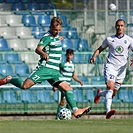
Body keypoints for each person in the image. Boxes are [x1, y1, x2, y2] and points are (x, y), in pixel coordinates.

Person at [0, 17, 91, 118]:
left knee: (67, 88)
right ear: (50, 27)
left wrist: (58, 39)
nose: (57, 32)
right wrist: (43, 53)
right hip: (45, 68)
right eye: (55, 30)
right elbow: (38, 49)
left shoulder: (56, 37)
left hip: (55, 71)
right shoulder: (46, 37)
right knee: (25, 86)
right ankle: (9, 79)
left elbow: (55, 41)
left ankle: (76, 110)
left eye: (59, 30)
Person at [90, 19, 133, 119]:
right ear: (115, 26)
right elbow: (99, 49)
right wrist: (94, 56)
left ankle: (100, 94)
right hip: (110, 66)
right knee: (110, 87)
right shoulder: (110, 39)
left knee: (112, 93)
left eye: (122, 26)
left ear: (124, 27)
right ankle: (108, 112)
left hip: (122, 69)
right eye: (118, 25)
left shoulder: (129, 40)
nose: (120, 27)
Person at [52, 48, 84, 120]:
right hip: (62, 85)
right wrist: (55, 85)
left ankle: (67, 116)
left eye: (71, 55)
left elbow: (73, 75)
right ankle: (58, 117)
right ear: (66, 55)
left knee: (69, 102)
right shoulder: (62, 64)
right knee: (63, 101)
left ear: (73, 56)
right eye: (68, 55)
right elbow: (57, 74)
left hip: (68, 86)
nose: (69, 56)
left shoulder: (72, 65)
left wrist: (79, 81)